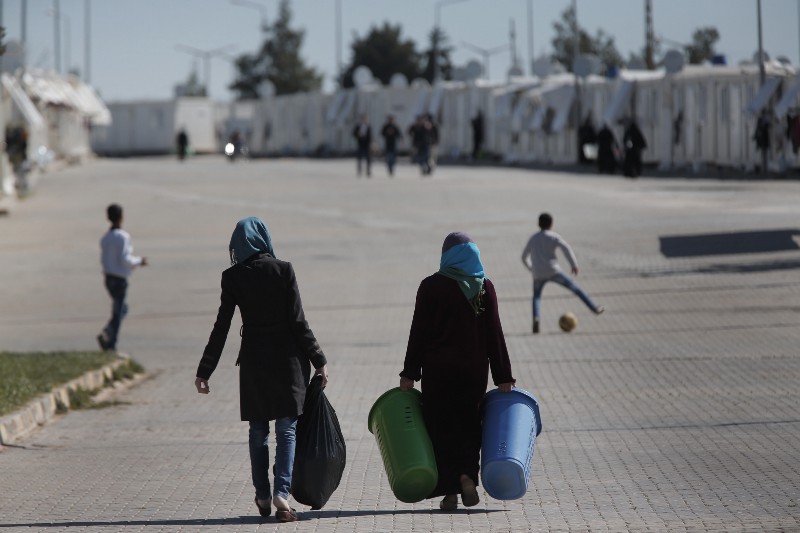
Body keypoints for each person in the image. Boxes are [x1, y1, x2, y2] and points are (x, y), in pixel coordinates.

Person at [194, 217, 328, 522]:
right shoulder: (283, 270)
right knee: (286, 429)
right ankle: (282, 493)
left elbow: (221, 326)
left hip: (255, 363)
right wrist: (319, 360)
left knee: (258, 431)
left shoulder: (232, 277)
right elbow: (298, 322)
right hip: (288, 362)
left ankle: (263, 495)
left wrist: (205, 370)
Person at [400, 232, 515, 511]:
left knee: (440, 428)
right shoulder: (484, 287)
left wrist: (409, 373)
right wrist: (503, 375)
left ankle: (450, 491)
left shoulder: (431, 286)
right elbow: (494, 333)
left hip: (438, 372)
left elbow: (419, 332)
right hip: (473, 373)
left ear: (446, 256)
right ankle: (466, 477)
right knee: (469, 426)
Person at [521, 213, 603, 334]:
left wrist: (531, 268)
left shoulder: (533, 238)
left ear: (538, 224)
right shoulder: (554, 236)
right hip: (553, 270)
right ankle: (594, 307)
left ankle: (536, 318)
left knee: (536, 297)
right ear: (551, 224)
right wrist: (573, 264)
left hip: (538, 273)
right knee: (576, 289)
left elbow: (523, 256)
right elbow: (566, 248)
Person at [98, 204, 148, 353]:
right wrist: (139, 261)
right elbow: (124, 259)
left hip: (108, 278)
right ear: (121, 217)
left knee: (121, 309)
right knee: (118, 312)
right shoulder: (123, 237)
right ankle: (111, 343)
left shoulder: (105, 238)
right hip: (119, 280)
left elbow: (106, 260)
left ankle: (108, 330)